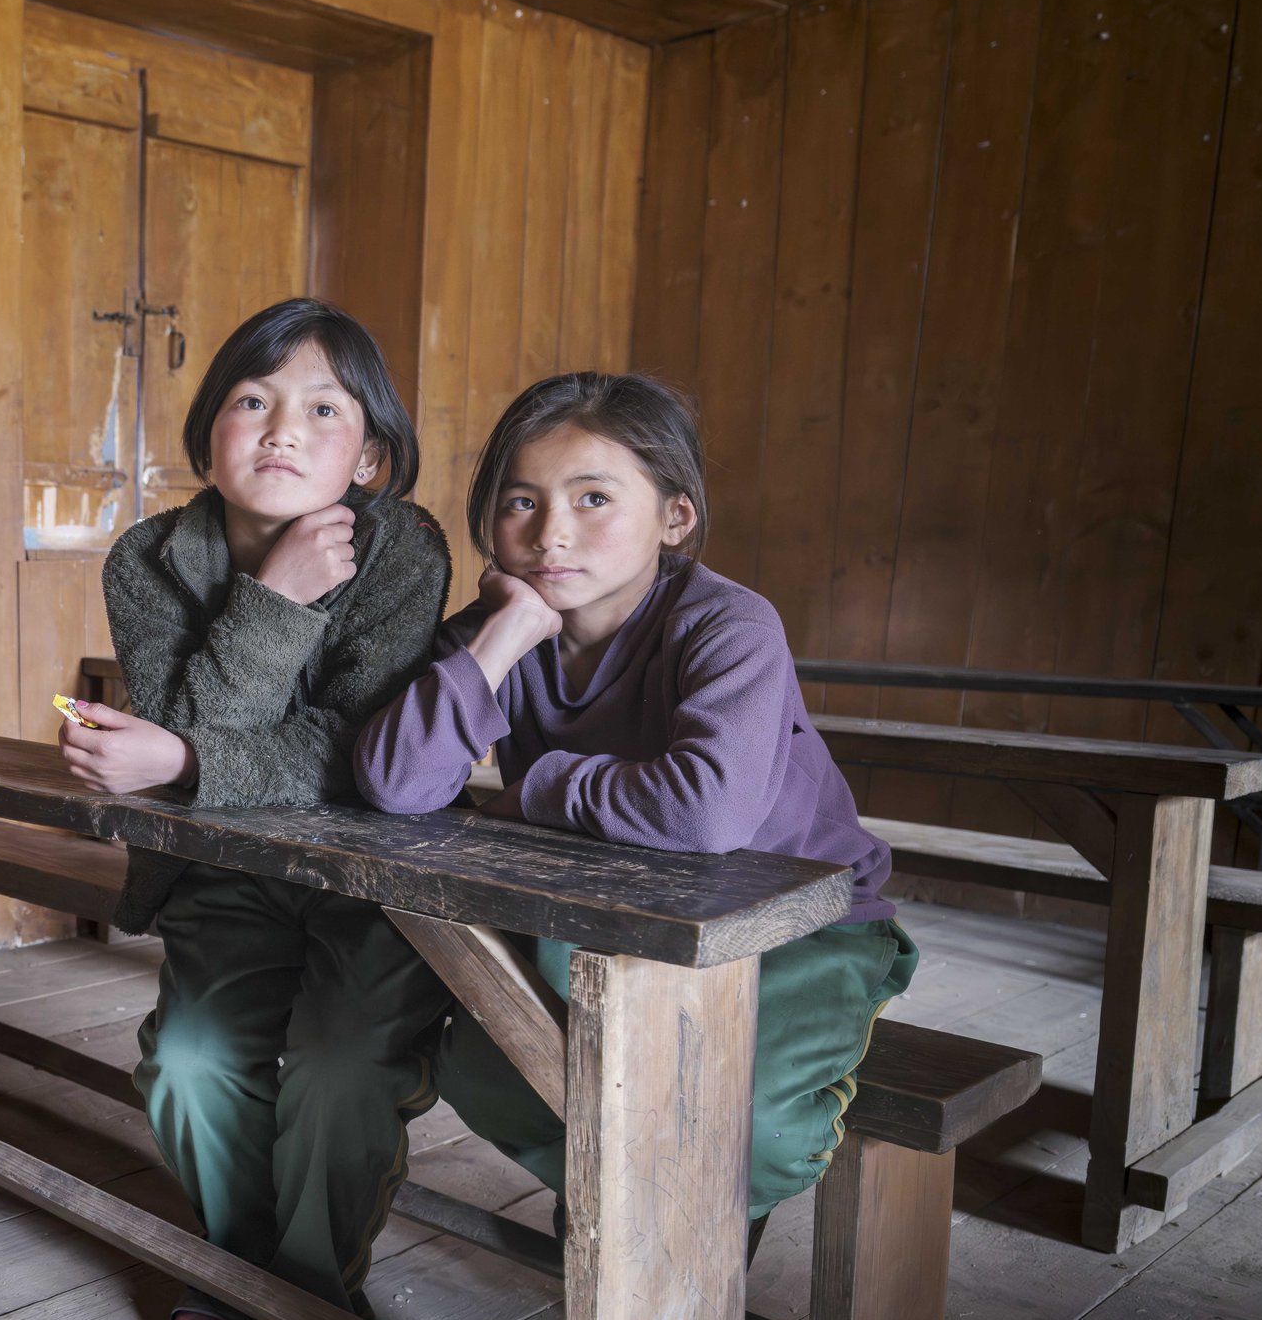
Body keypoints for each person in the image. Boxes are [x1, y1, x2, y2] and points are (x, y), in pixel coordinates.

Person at [354, 371, 915, 1246]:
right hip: (610, 917)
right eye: (521, 503)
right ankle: (634, 1211)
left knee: (751, 1134)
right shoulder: (503, 629)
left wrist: (535, 790)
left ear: (675, 518)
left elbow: (706, 818)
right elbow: (396, 783)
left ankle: (668, 1247)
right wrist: (501, 640)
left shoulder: (728, 626)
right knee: (483, 1064)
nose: (552, 534)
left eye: (594, 498)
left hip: (799, 929)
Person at [58, 298, 450, 1320]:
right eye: (251, 400)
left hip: (373, 884)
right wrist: (269, 599)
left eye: (322, 409)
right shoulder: (150, 556)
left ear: (368, 456)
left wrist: (181, 753)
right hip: (224, 873)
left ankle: (316, 1301)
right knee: (184, 1057)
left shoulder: (400, 549)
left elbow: (359, 753)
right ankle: (243, 1266)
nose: (281, 428)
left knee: (337, 1066)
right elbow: (191, 720)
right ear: (205, 434)